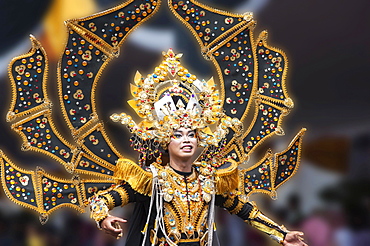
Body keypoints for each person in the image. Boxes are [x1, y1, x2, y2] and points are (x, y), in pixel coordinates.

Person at [89, 49, 307, 246]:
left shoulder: (209, 180)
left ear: (198, 140)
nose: (186, 139)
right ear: (166, 141)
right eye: (178, 135)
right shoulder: (152, 181)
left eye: (191, 134)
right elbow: (102, 199)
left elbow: (245, 210)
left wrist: (281, 234)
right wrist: (103, 218)